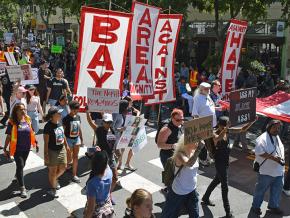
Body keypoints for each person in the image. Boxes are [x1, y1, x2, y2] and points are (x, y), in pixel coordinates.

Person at [202, 117, 254, 218]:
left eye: (227, 125)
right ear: (220, 125)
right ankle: (228, 212)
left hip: (225, 161)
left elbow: (243, 129)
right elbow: (217, 139)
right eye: (224, 126)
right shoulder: (214, 132)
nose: (226, 127)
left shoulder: (228, 130)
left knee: (217, 180)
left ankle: (205, 197)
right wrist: (226, 129)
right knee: (224, 187)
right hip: (219, 162)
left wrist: (252, 121)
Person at [3, 103, 38, 198]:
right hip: (16, 149)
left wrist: (36, 142)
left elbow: (31, 131)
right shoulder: (11, 122)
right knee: (20, 165)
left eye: (24, 109)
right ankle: (22, 188)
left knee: (22, 165)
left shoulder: (27, 119)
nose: (23, 111)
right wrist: (5, 148)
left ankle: (17, 175)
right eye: (21, 109)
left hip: (26, 147)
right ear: (16, 111)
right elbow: (9, 136)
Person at [251, 120, 285, 216]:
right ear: (269, 127)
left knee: (277, 191)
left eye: (278, 128)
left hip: (278, 171)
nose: (277, 130)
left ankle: (273, 206)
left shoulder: (276, 137)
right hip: (266, 172)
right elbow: (259, 152)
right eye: (275, 128)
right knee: (260, 191)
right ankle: (255, 207)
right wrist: (274, 159)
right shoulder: (262, 138)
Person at [160, 136, 200, 218]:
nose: (197, 143)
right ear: (187, 142)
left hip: (192, 189)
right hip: (179, 191)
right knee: (169, 214)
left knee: (195, 214)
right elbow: (189, 164)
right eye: (195, 141)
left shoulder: (194, 152)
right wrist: (199, 149)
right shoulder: (180, 154)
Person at [86, 111, 118, 203]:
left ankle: (109, 194)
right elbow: (90, 122)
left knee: (115, 178)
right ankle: (94, 193)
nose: (108, 124)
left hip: (111, 157)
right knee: (97, 177)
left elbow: (113, 143)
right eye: (106, 122)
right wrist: (87, 112)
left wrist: (115, 151)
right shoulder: (99, 130)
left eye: (110, 122)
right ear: (103, 122)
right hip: (101, 159)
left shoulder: (112, 130)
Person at [44, 106, 70, 198]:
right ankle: (53, 189)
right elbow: (46, 142)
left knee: (64, 167)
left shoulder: (59, 123)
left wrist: (66, 145)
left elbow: (63, 135)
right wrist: (46, 154)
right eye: (58, 113)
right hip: (52, 151)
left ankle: (54, 180)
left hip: (61, 149)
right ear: (53, 115)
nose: (60, 114)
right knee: (53, 171)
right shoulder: (48, 126)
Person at [192, 82, 216, 166]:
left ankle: (208, 157)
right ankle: (202, 159)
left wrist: (219, 108)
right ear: (201, 89)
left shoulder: (207, 95)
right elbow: (195, 113)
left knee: (209, 142)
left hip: (211, 124)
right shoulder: (197, 98)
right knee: (203, 143)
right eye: (206, 89)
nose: (208, 90)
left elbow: (210, 107)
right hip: (203, 125)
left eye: (209, 88)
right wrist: (198, 126)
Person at [84, 150, 114, 218]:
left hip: (97, 211)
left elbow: (90, 210)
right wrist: (101, 153)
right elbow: (104, 163)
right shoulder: (109, 172)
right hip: (107, 206)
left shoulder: (92, 183)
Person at [62, 100, 83, 183]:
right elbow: (63, 131)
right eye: (74, 110)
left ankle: (74, 175)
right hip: (68, 139)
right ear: (70, 109)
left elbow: (79, 128)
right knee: (68, 158)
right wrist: (65, 143)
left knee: (75, 157)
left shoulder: (78, 117)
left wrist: (81, 138)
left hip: (76, 139)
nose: (76, 111)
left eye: (77, 110)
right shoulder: (66, 118)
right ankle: (62, 170)